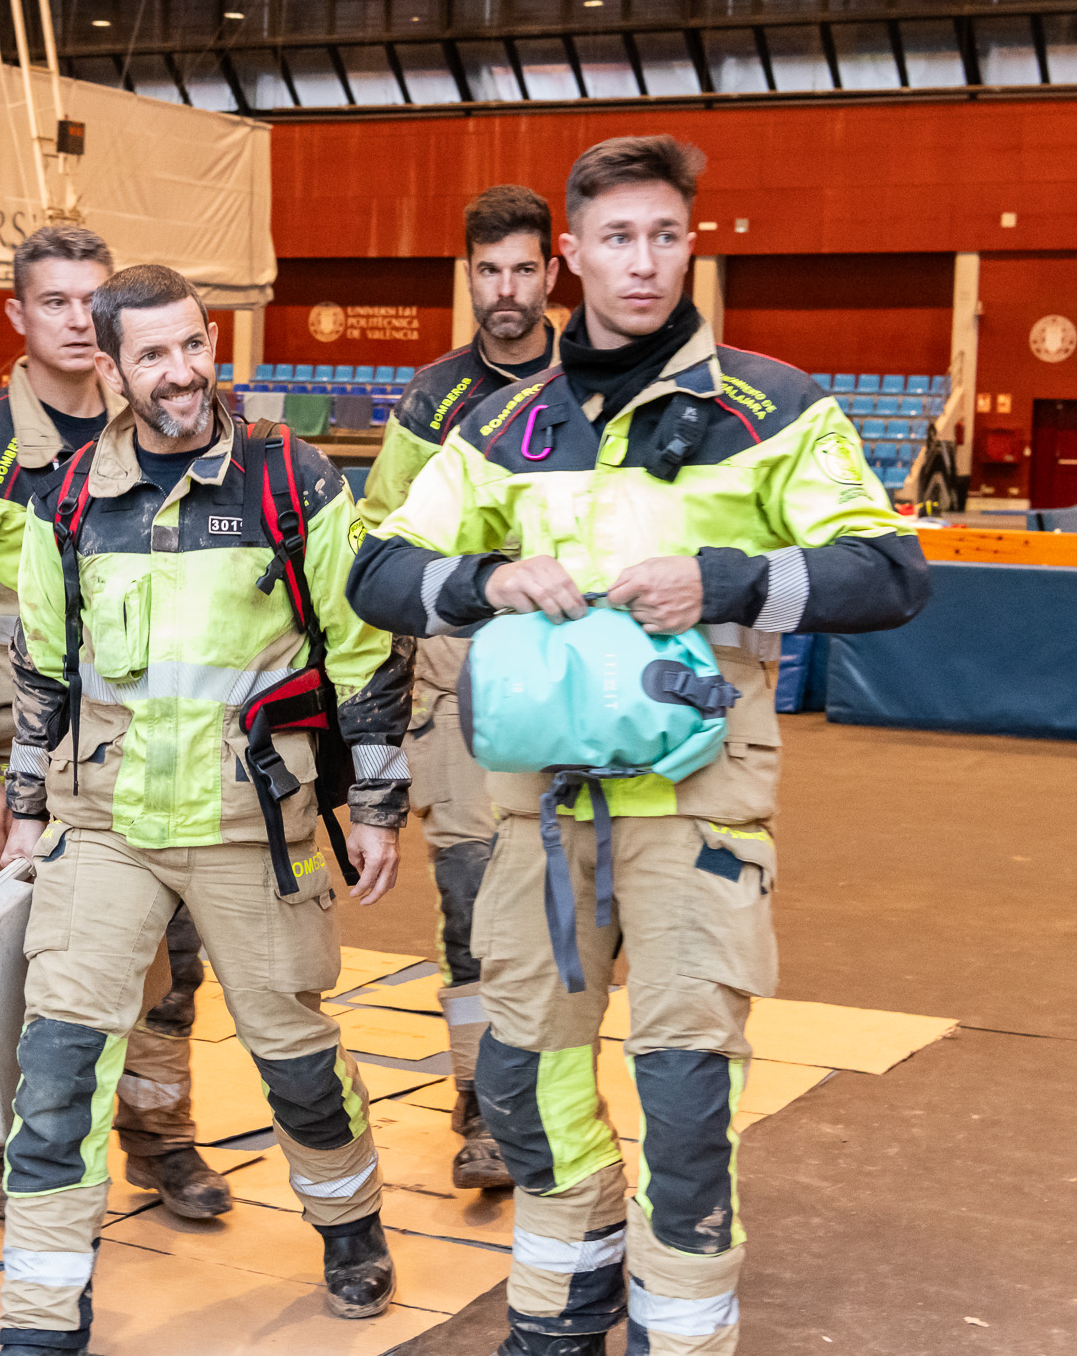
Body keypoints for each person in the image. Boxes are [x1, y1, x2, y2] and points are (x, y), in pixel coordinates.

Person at [347, 136, 930, 1356]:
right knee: (518, 1079)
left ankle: (681, 1330)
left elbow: (888, 572)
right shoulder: (502, 427)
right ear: (571, 254)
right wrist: (490, 574)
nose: (645, 262)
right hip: (537, 818)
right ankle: (565, 1300)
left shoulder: (770, 411)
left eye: (666, 235)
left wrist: (723, 575)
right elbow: (376, 567)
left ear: (689, 243)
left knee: (683, 1097)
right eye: (617, 238)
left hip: (696, 815)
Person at [0, 264, 415, 1346]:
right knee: (57, 1064)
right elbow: (43, 663)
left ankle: (350, 1223)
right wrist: (27, 805)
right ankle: (41, 1313)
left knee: (296, 1061)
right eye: (152, 355)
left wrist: (374, 796)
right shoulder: (71, 496)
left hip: (250, 828)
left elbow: (363, 645)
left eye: (193, 345)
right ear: (111, 364)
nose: (180, 372)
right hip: (106, 828)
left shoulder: (293, 478)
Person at [0, 226, 228, 1225]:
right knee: (18, 954)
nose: (76, 319)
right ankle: (4, 1146)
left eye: (92, 300)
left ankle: (159, 1135)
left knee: (168, 962)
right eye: (53, 301)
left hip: (151, 756)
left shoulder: (156, 428)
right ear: (16, 315)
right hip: (24, 768)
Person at [357, 183, 564, 1193]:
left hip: (574, 680)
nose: (506, 290)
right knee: (471, 904)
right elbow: (384, 554)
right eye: (488, 270)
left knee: (567, 904)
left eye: (523, 268)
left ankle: (556, 1097)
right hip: (462, 682)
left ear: (552, 274)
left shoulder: (593, 380)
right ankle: (481, 1103)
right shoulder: (432, 399)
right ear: (467, 276)